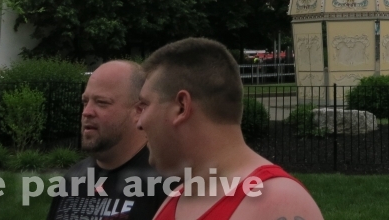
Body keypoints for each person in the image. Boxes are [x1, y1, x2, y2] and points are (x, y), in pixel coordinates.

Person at [136, 38, 323, 220]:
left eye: (144, 106)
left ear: (181, 107)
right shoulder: (177, 197)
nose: (139, 122)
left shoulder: (278, 200)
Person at [46, 60, 166, 220]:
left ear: (139, 111)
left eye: (102, 103)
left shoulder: (166, 184)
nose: (86, 112)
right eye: (85, 102)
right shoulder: (74, 178)